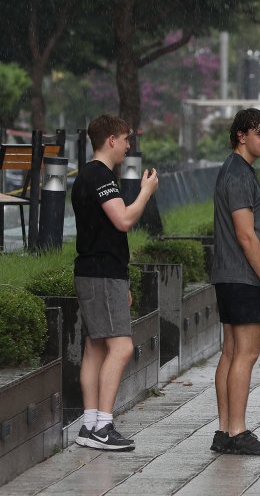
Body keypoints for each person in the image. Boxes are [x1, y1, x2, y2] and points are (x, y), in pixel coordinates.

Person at [72, 114, 159, 451]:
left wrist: (123, 282)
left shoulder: (87, 175)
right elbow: (122, 220)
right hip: (101, 274)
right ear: (110, 139)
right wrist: (146, 193)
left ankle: (90, 423)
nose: (128, 145)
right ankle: (103, 426)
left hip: (98, 273)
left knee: (95, 347)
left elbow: (105, 233)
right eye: (125, 139)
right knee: (120, 347)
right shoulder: (99, 175)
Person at [210, 108, 260, 456]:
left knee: (230, 353)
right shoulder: (239, 175)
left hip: (228, 275)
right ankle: (238, 431)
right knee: (246, 354)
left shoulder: (233, 169)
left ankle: (225, 430)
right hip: (244, 276)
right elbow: (246, 235)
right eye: (259, 133)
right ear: (241, 135)